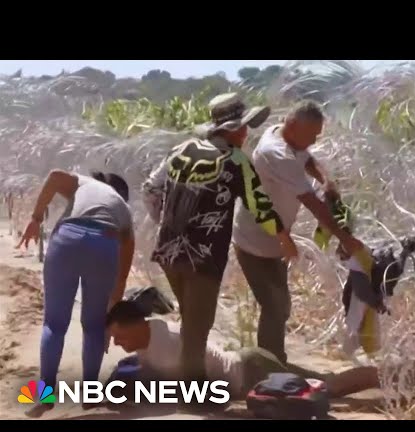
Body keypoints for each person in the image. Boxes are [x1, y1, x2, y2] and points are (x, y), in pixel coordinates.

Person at [141, 92, 297, 393]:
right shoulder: (236, 160)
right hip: (203, 258)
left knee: (191, 322)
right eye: (245, 127)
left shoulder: (180, 149)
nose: (247, 133)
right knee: (197, 332)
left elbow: (150, 188)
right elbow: (259, 206)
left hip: (169, 252)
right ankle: (193, 399)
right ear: (234, 129)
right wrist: (283, 238)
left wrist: (167, 221)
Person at [232, 100, 365, 364]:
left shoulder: (286, 135)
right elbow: (312, 203)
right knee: (275, 305)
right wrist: (346, 239)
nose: (314, 141)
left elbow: (307, 158)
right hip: (255, 240)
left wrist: (326, 179)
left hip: (275, 239)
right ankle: (269, 366)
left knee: (279, 304)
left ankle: (271, 360)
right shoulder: (276, 153)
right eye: (311, 135)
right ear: (293, 126)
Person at [17, 169, 135, 418]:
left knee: (54, 324)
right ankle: (89, 397)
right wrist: (113, 307)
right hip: (104, 244)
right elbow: (124, 267)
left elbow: (54, 175)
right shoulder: (123, 209)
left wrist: (36, 218)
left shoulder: (85, 183)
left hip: (67, 239)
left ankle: (45, 395)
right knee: (93, 327)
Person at [105, 300, 388, 401]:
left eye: (120, 336)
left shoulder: (168, 345)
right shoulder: (149, 334)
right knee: (325, 383)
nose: (117, 344)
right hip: (247, 365)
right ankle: (392, 376)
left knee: (328, 387)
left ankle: (394, 375)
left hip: (253, 372)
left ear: (137, 325)